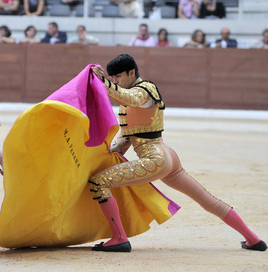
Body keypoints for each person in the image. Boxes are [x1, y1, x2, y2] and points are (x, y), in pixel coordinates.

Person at [89, 54, 267, 253]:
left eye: (119, 77)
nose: (116, 82)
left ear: (132, 72)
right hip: (167, 158)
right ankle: (253, 240)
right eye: (113, 78)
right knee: (207, 200)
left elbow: (129, 97)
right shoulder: (130, 98)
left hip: (155, 160)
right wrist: (114, 149)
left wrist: (100, 81)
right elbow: (130, 135)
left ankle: (120, 238)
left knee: (98, 182)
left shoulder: (146, 89)